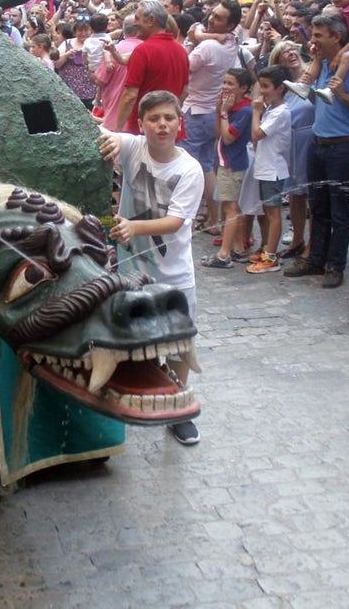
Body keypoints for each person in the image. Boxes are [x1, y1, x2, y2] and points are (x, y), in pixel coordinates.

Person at [98, 90, 204, 446]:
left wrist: (133, 227)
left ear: (179, 123)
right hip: (131, 268)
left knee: (178, 343)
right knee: (131, 336)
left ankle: (178, 406)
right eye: (155, 119)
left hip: (172, 270)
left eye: (169, 118)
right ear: (141, 124)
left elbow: (175, 221)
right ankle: (131, 400)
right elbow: (108, 135)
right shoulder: (133, 147)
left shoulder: (189, 170)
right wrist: (110, 139)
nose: (163, 125)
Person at [283, 14, 349, 287]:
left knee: (339, 211)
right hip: (318, 143)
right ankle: (316, 259)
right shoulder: (324, 63)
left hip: (342, 146)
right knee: (319, 207)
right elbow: (305, 86)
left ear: (337, 37)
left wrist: (344, 96)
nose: (313, 41)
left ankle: (335, 265)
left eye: (318, 36)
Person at [182, 0, 242, 234]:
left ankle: (186, 217)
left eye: (217, 18)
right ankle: (213, 218)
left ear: (230, 25)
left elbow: (182, 66)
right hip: (213, 113)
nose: (210, 19)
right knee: (207, 166)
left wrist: (192, 39)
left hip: (195, 112)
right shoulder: (232, 41)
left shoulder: (208, 48)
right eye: (212, 14)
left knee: (188, 167)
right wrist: (202, 34)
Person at [201, 69, 253, 269]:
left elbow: (229, 137)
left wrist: (223, 113)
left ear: (243, 88)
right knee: (233, 208)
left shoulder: (244, 111)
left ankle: (224, 254)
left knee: (230, 209)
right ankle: (239, 248)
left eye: (230, 83)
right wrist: (219, 111)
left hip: (232, 164)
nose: (225, 87)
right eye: (224, 82)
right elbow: (218, 133)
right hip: (226, 162)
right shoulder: (232, 108)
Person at [114, 0, 190, 133]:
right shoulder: (181, 50)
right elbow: (184, 91)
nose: (134, 23)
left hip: (146, 131)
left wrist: (118, 130)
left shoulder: (143, 51)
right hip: (171, 129)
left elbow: (130, 95)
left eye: (137, 18)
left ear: (151, 21)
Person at [246, 65, 293, 274]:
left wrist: (256, 111)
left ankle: (271, 256)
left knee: (273, 214)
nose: (262, 91)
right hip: (265, 166)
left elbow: (257, 134)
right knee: (267, 211)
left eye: (266, 87)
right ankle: (267, 249)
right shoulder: (272, 110)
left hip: (272, 168)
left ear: (280, 88)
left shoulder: (280, 112)